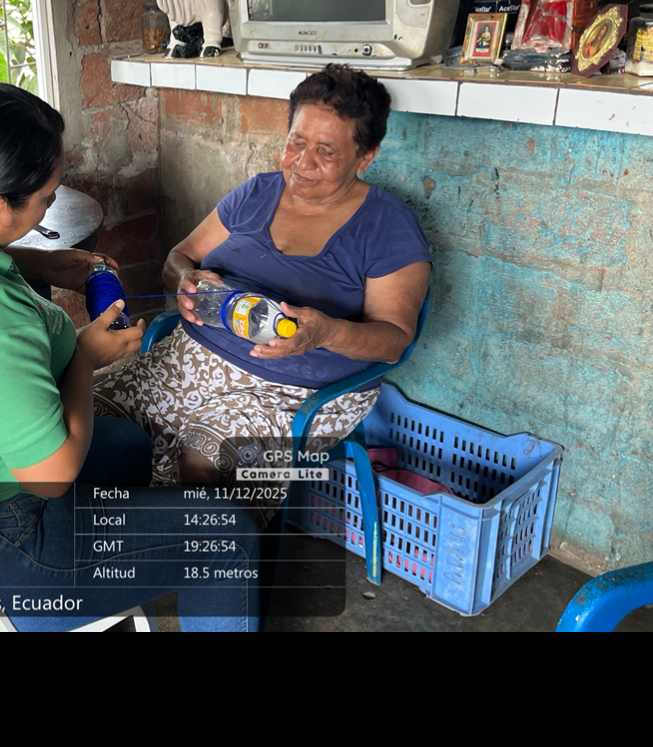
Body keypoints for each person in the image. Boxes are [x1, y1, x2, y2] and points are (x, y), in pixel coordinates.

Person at [0, 82, 264, 632]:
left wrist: (41, 264)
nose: (50, 205)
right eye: (46, 199)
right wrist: (83, 356)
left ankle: (119, 565)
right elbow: (50, 477)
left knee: (128, 445)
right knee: (226, 534)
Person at [92, 66, 431, 490]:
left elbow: (394, 339)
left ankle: (188, 533)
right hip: (184, 362)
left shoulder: (387, 225)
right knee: (80, 418)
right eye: (296, 142)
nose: (302, 163)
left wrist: (326, 333)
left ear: (366, 156)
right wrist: (185, 278)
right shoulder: (256, 193)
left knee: (202, 466)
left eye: (326, 151)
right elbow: (180, 257)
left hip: (292, 392)